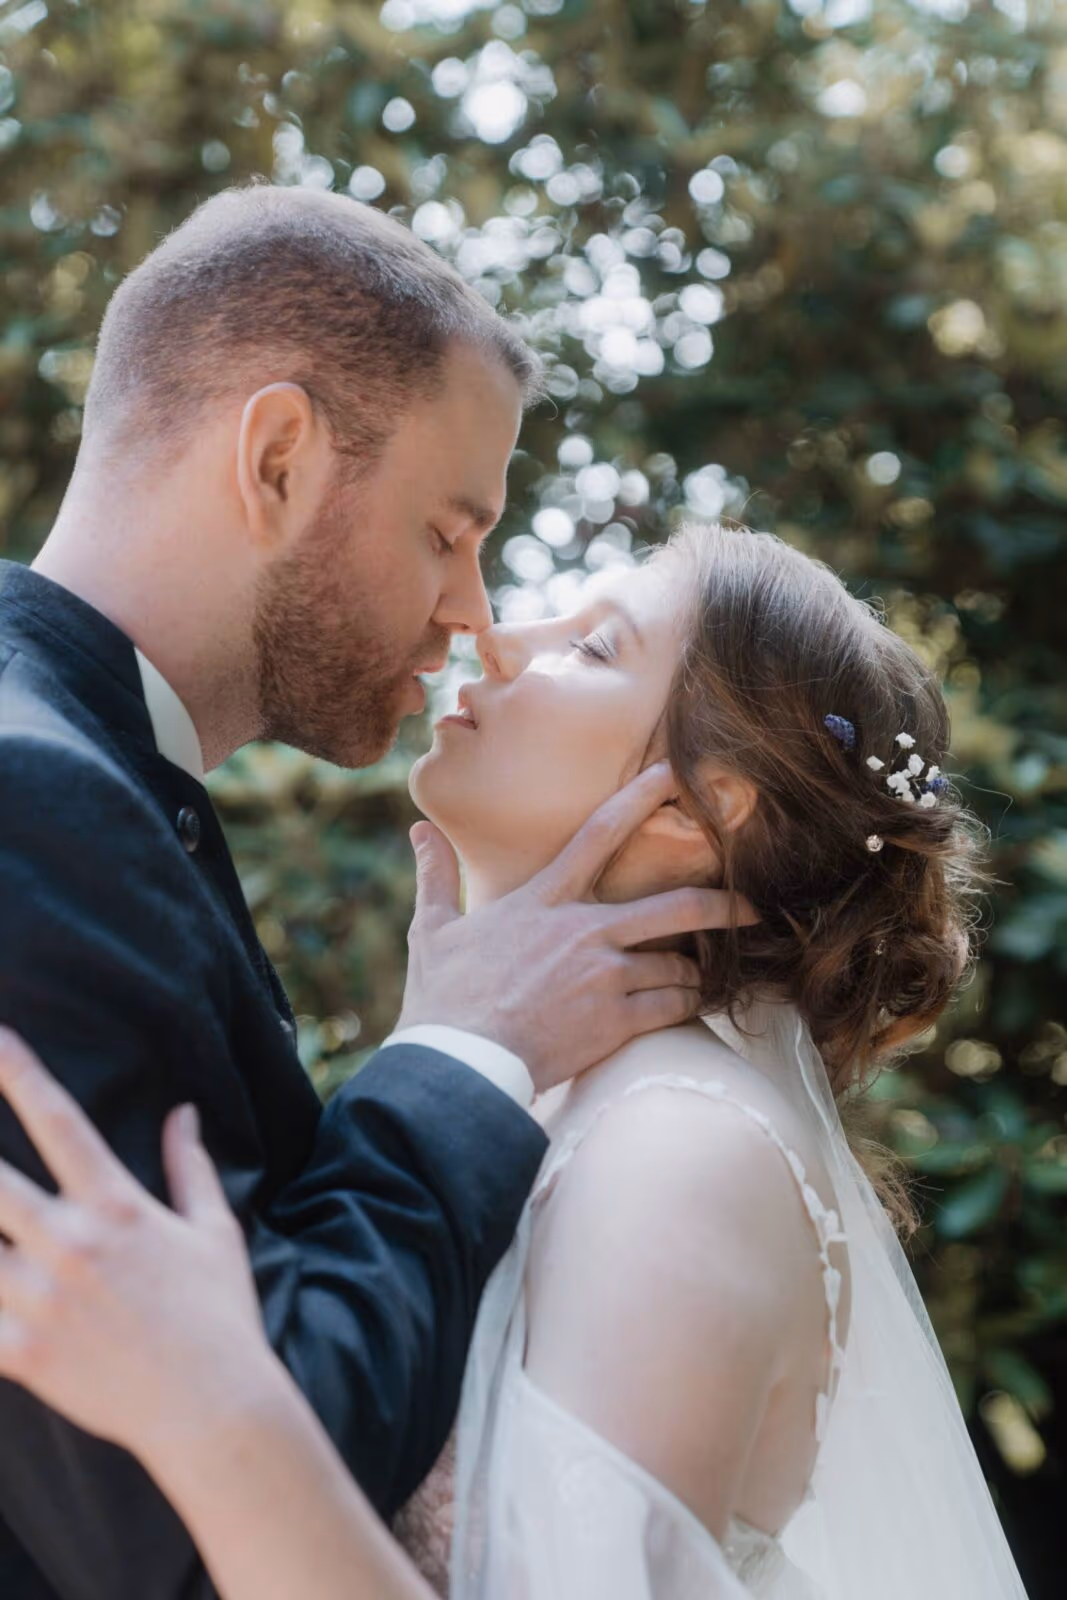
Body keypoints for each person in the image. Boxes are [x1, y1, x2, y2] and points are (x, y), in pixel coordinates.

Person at [0, 524, 1031, 1598]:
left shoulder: (682, 1148)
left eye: (591, 648)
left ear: (692, 807)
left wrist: (216, 1419)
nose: (495, 634)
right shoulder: (537, 1100)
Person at [0, 185, 743, 1600]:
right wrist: (466, 1052)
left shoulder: (73, 772)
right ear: (276, 458)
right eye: (447, 529)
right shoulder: (33, 806)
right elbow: (209, 1501)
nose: (473, 614)